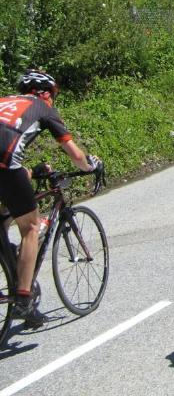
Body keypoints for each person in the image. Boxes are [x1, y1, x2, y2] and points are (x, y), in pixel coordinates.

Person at [0, 70, 100, 328]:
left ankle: (13, 271)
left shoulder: (4, 102)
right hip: (5, 167)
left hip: (7, 166)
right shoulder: (42, 108)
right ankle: (23, 298)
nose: (52, 100)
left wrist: (32, 172)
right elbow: (74, 154)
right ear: (43, 92)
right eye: (53, 95)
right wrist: (90, 165)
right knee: (30, 227)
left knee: (4, 220)